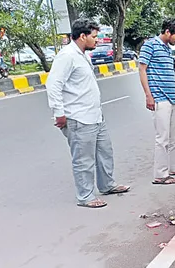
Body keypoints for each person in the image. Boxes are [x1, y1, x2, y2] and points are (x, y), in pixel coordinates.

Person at [46, 18, 130, 208]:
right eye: (94, 36)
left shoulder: (82, 55)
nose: (97, 40)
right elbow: (53, 85)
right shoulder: (67, 56)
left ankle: (107, 185)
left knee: (105, 152)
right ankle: (85, 196)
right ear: (82, 36)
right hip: (78, 117)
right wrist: (59, 113)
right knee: (83, 160)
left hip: (95, 116)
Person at [138, 18, 175, 185]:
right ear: (167, 32)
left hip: (172, 97)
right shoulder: (150, 46)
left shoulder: (167, 49)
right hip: (159, 98)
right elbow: (142, 69)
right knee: (162, 138)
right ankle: (160, 175)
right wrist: (148, 95)